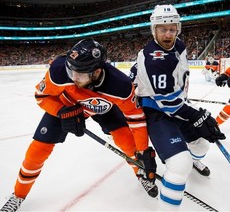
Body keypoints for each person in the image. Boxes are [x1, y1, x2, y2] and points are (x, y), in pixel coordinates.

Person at [0, 39, 158, 212]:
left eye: (79, 74)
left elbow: (136, 118)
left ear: (96, 72)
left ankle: (140, 173)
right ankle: (18, 194)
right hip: (66, 106)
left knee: (128, 143)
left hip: (103, 109)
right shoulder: (60, 70)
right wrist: (61, 111)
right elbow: (41, 96)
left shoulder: (120, 86)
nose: (72, 77)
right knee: (36, 151)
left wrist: (143, 151)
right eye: (70, 70)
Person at [132, 4, 226, 209]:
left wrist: (192, 111)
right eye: (162, 29)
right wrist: (196, 116)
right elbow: (166, 102)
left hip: (176, 104)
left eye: (172, 29)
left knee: (201, 145)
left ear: (178, 29)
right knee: (179, 164)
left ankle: (193, 160)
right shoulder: (154, 59)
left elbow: (175, 90)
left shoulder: (179, 46)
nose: (168, 34)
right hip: (157, 111)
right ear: (153, 30)